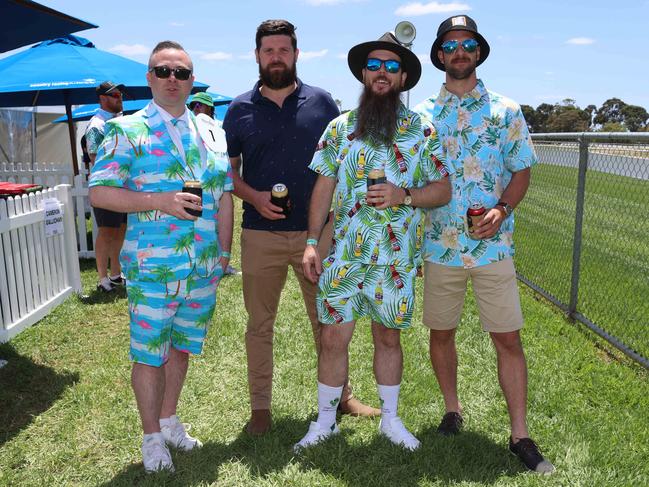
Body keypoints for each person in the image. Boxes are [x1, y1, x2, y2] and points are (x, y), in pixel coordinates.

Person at [294, 32, 451, 452]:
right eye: (375, 66)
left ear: (403, 78)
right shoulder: (341, 127)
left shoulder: (422, 130)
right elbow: (323, 187)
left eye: (392, 67)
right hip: (344, 253)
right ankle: (325, 421)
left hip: (395, 257)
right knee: (332, 336)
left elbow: (443, 189)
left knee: (388, 337)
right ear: (364, 74)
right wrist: (312, 241)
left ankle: (391, 421)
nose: (383, 73)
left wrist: (406, 195)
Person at [222, 19, 379, 436]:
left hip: (317, 235)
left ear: (296, 54)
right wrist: (253, 196)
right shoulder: (238, 110)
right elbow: (228, 173)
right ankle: (260, 410)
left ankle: (342, 398)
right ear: (257, 55)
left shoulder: (323, 103)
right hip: (259, 233)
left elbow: (342, 166)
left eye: (283, 50)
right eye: (268, 50)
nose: (276, 57)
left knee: (329, 320)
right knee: (259, 325)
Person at [415, 15, 555, 474]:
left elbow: (522, 169)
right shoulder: (421, 117)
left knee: (508, 338)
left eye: (467, 43)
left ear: (478, 51)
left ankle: (520, 435)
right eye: (450, 44)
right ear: (439, 55)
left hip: (494, 250)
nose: (459, 51)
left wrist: (502, 210)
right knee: (441, 333)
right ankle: (452, 410)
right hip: (440, 247)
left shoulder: (506, 110)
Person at [89, 41, 233, 473]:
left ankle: (169, 420)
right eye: (163, 71)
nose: (173, 79)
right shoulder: (126, 130)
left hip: (203, 265)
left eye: (182, 73)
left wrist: (224, 253)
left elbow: (223, 195)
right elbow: (100, 191)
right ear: (149, 78)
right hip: (154, 265)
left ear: (192, 81)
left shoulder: (212, 131)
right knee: (151, 352)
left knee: (182, 348)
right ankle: (151, 437)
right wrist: (160, 200)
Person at [85, 81, 127, 292]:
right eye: (115, 95)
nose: (120, 97)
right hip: (106, 187)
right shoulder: (97, 125)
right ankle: (103, 279)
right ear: (103, 99)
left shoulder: (120, 121)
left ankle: (116, 274)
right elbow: (94, 157)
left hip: (123, 187)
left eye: (120, 94)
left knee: (120, 230)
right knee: (107, 231)